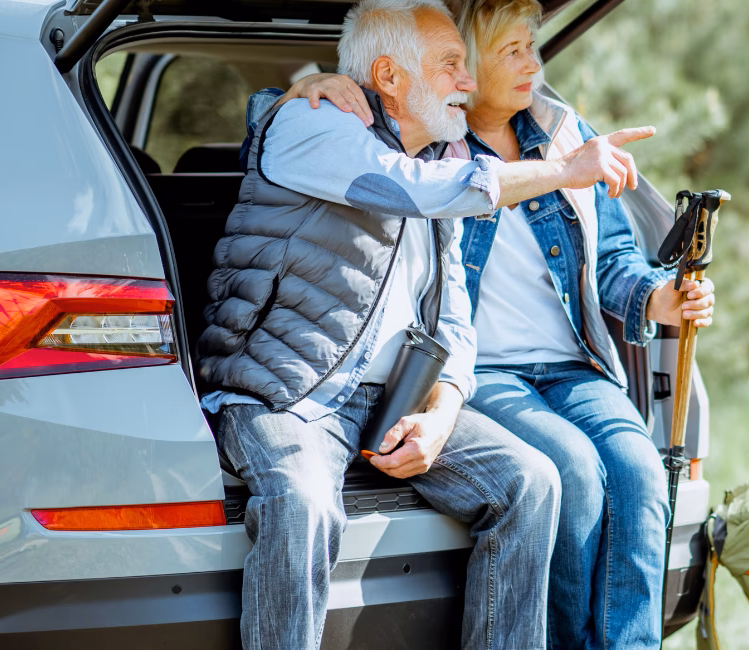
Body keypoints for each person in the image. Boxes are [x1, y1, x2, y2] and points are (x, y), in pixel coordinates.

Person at [198, 0, 657, 647]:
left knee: (532, 481)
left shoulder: (438, 156)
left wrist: (442, 412)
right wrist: (563, 170)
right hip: (289, 393)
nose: (466, 84)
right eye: (450, 66)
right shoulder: (314, 126)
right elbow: (418, 187)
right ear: (388, 75)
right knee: (304, 506)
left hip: (392, 400)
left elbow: (455, 322)